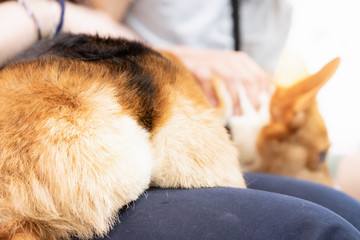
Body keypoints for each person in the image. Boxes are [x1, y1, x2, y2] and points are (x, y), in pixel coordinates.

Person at [0, 1, 359, 239]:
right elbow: (77, 15)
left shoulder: (277, 14)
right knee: (320, 229)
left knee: (346, 211)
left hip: (159, 123)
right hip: (97, 100)